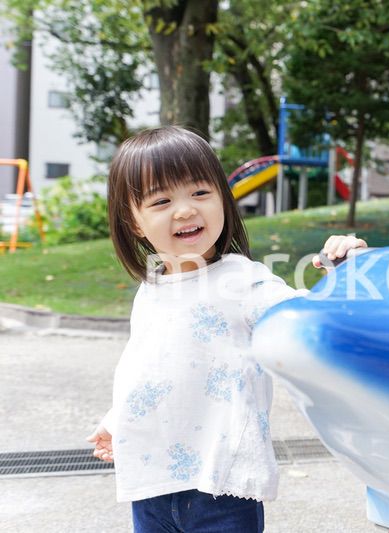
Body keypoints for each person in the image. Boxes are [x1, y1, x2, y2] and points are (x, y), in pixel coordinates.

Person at [86, 126, 366, 532]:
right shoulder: (151, 289)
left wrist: (348, 268)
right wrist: (119, 417)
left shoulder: (244, 281)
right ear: (133, 222)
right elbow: (150, 366)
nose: (184, 210)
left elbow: (313, 319)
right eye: (162, 200)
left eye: (200, 193)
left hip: (221, 486)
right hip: (152, 479)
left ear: (222, 198)